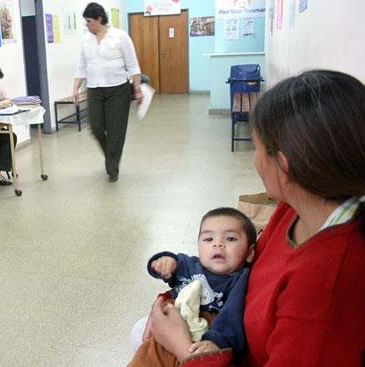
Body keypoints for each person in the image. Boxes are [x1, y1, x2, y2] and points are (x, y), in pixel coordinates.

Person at [128, 70, 365, 366]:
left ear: (283, 165)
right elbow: (245, 271)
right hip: (228, 320)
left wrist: (181, 346)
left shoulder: (323, 292)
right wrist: (173, 297)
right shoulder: (296, 207)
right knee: (140, 330)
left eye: (256, 147)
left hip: (227, 351)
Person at [132, 208, 256, 358]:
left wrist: (217, 342)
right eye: (208, 239)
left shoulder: (239, 280)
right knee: (139, 331)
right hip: (173, 318)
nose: (218, 244)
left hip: (202, 334)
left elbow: (231, 318)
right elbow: (172, 261)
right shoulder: (191, 265)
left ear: (250, 253)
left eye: (230, 238)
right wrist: (164, 262)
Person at [73, 2, 143, 183]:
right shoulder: (86, 40)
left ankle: (112, 167)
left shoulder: (120, 37)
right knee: (96, 127)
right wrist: (75, 87)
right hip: (94, 89)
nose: (87, 25)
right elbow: (81, 66)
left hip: (117, 89)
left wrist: (138, 89)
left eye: (89, 21)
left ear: (99, 19)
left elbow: (133, 65)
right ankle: (111, 155)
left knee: (115, 132)